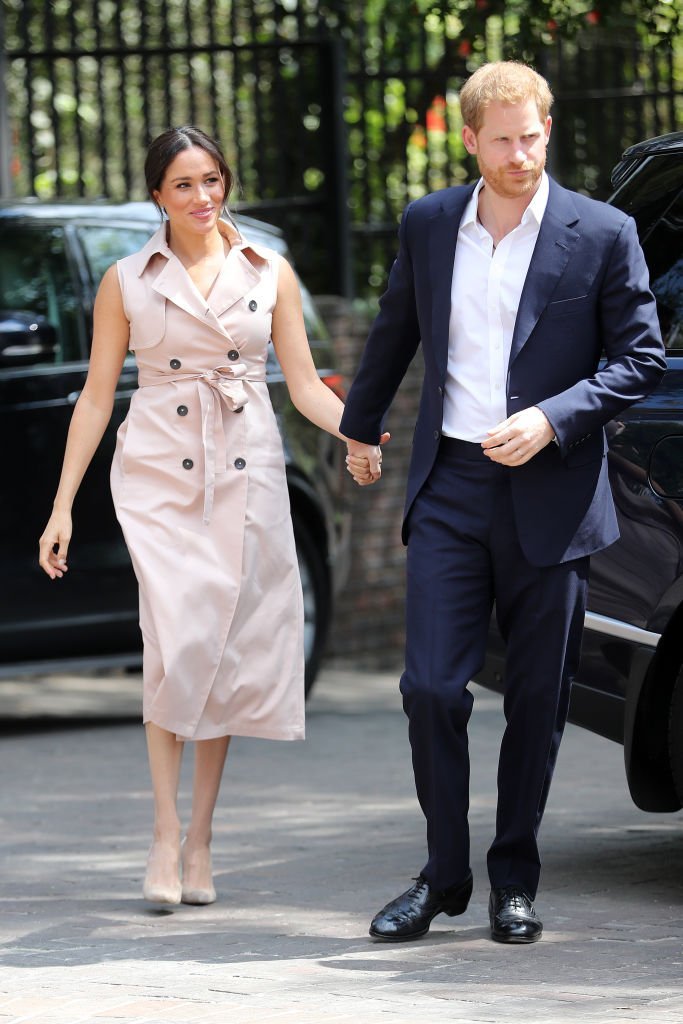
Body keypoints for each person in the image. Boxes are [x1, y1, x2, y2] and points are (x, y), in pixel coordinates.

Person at [341, 61, 666, 944]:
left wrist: (554, 420)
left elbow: (637, 359)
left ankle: (511, 878)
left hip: (552, 496)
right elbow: (394, 331)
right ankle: (442, 875)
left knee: (536, 700)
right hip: (450, 486)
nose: (521, 154)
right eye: (503, 140)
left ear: (547, 128)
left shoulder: (601, 233)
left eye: (533, 136)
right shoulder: (431, 223)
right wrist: (358, 428)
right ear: (470, 139)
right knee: (431, 689)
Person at [38, 125, 378, 907]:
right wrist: (61, 505)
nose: (203, 197)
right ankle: (162, 832)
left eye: (214, 180)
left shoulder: (269, 272)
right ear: (157, 193)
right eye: (184, 184)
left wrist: (355, 429)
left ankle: (201, 841)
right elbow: (95, 398)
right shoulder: (125, 279)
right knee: (173, 640)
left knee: (219, 647)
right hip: (158, 474)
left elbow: (302, 385)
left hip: (244, 468)